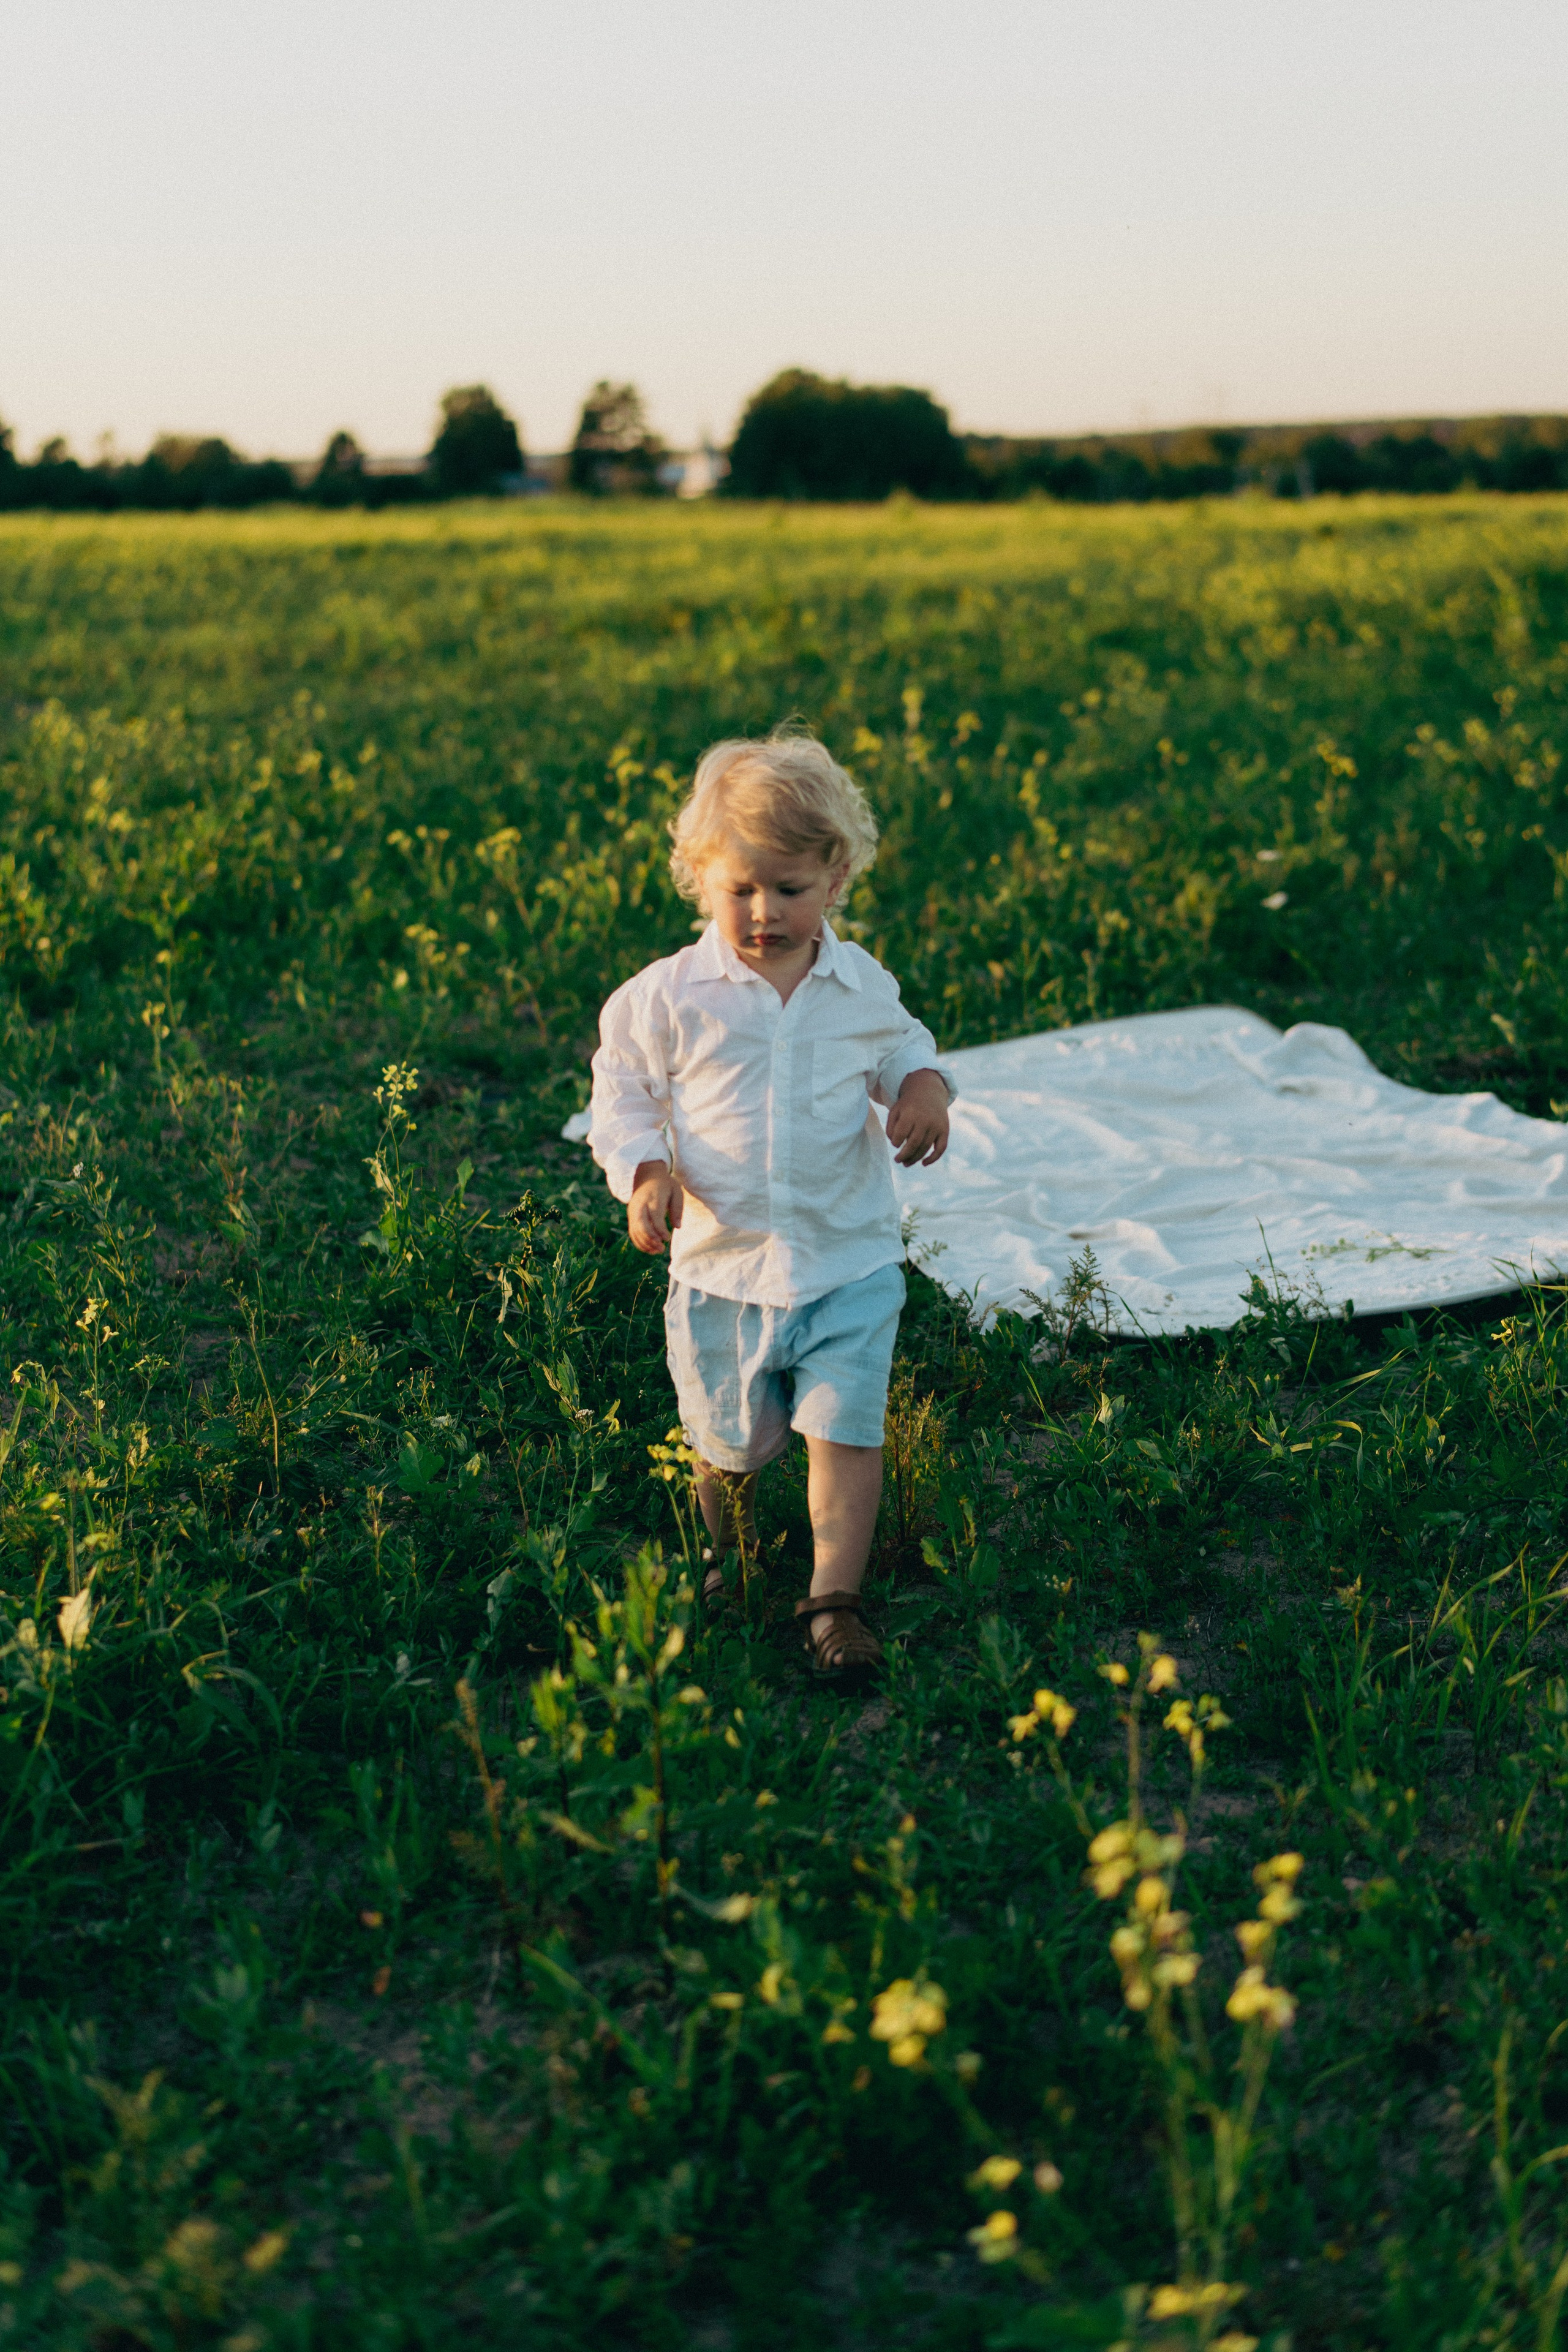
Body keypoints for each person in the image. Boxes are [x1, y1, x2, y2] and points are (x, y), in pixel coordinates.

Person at [587, 729, 953, 1681]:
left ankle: (834, 1599)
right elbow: (621, 1093)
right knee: (726, 1443)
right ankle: (727, 1557)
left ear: (836, 879)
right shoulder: (668, 998)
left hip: (847, 1258)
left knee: (846, 1432)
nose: (763, 912)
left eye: (788, 889)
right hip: (724, 1265)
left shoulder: (858, 983)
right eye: (740, 889)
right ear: (701, 878)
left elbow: (902, 1046)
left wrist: (921, 1090)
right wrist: (646, 1170)